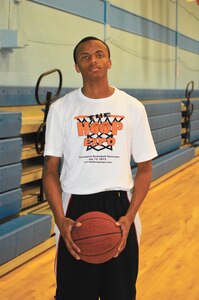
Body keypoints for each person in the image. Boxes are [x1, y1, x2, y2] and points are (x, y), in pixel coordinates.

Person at [43, 36, 157, 300]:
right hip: (74, 208)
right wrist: (60, 219)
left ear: (109, 62)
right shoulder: (61, 109)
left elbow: (145, 168)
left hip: (120, 208)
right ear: (77, 66)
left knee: (121, 294)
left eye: (99, 54)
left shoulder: (132, 107)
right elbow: (50, 170)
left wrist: (130, 216)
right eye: (85, 57)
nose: (93, 60)